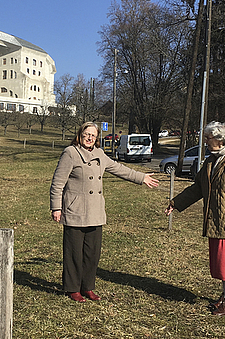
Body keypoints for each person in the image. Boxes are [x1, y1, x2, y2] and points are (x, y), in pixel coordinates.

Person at [50, 122, 159, 302]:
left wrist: (141, 178)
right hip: (75, 210)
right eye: (86, 134)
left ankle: (87, 287)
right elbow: (57, 183)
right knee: (73, 253)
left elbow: (119, 169)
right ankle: (72, 288)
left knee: (92, 253)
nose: (89, 138)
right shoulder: (70, 153)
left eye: (93, 135)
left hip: (95, 211)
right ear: (80, 134)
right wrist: (56, 207)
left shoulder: (99, 154)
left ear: (97, 137)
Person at [165, 121, 225, 316]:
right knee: (219, 261)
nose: (205, 142)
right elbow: (198, 187)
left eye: (208, 138)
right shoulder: (212, 160)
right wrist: (176, 203)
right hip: (215, 220)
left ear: (220, 139)